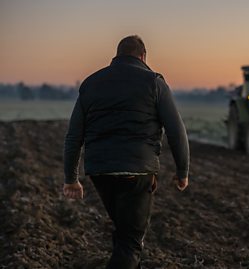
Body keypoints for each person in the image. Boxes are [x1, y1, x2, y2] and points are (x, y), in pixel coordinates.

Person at [63, 35, 190, 269]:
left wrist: (71, 179)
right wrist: (182, 171)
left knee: (124, 234)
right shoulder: (154, 82)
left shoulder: (91, 83)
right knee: (130, 243)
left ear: (117, 55)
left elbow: (74, 136)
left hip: (100, 172)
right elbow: (176, 130)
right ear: (143, 56)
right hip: (137, 172)